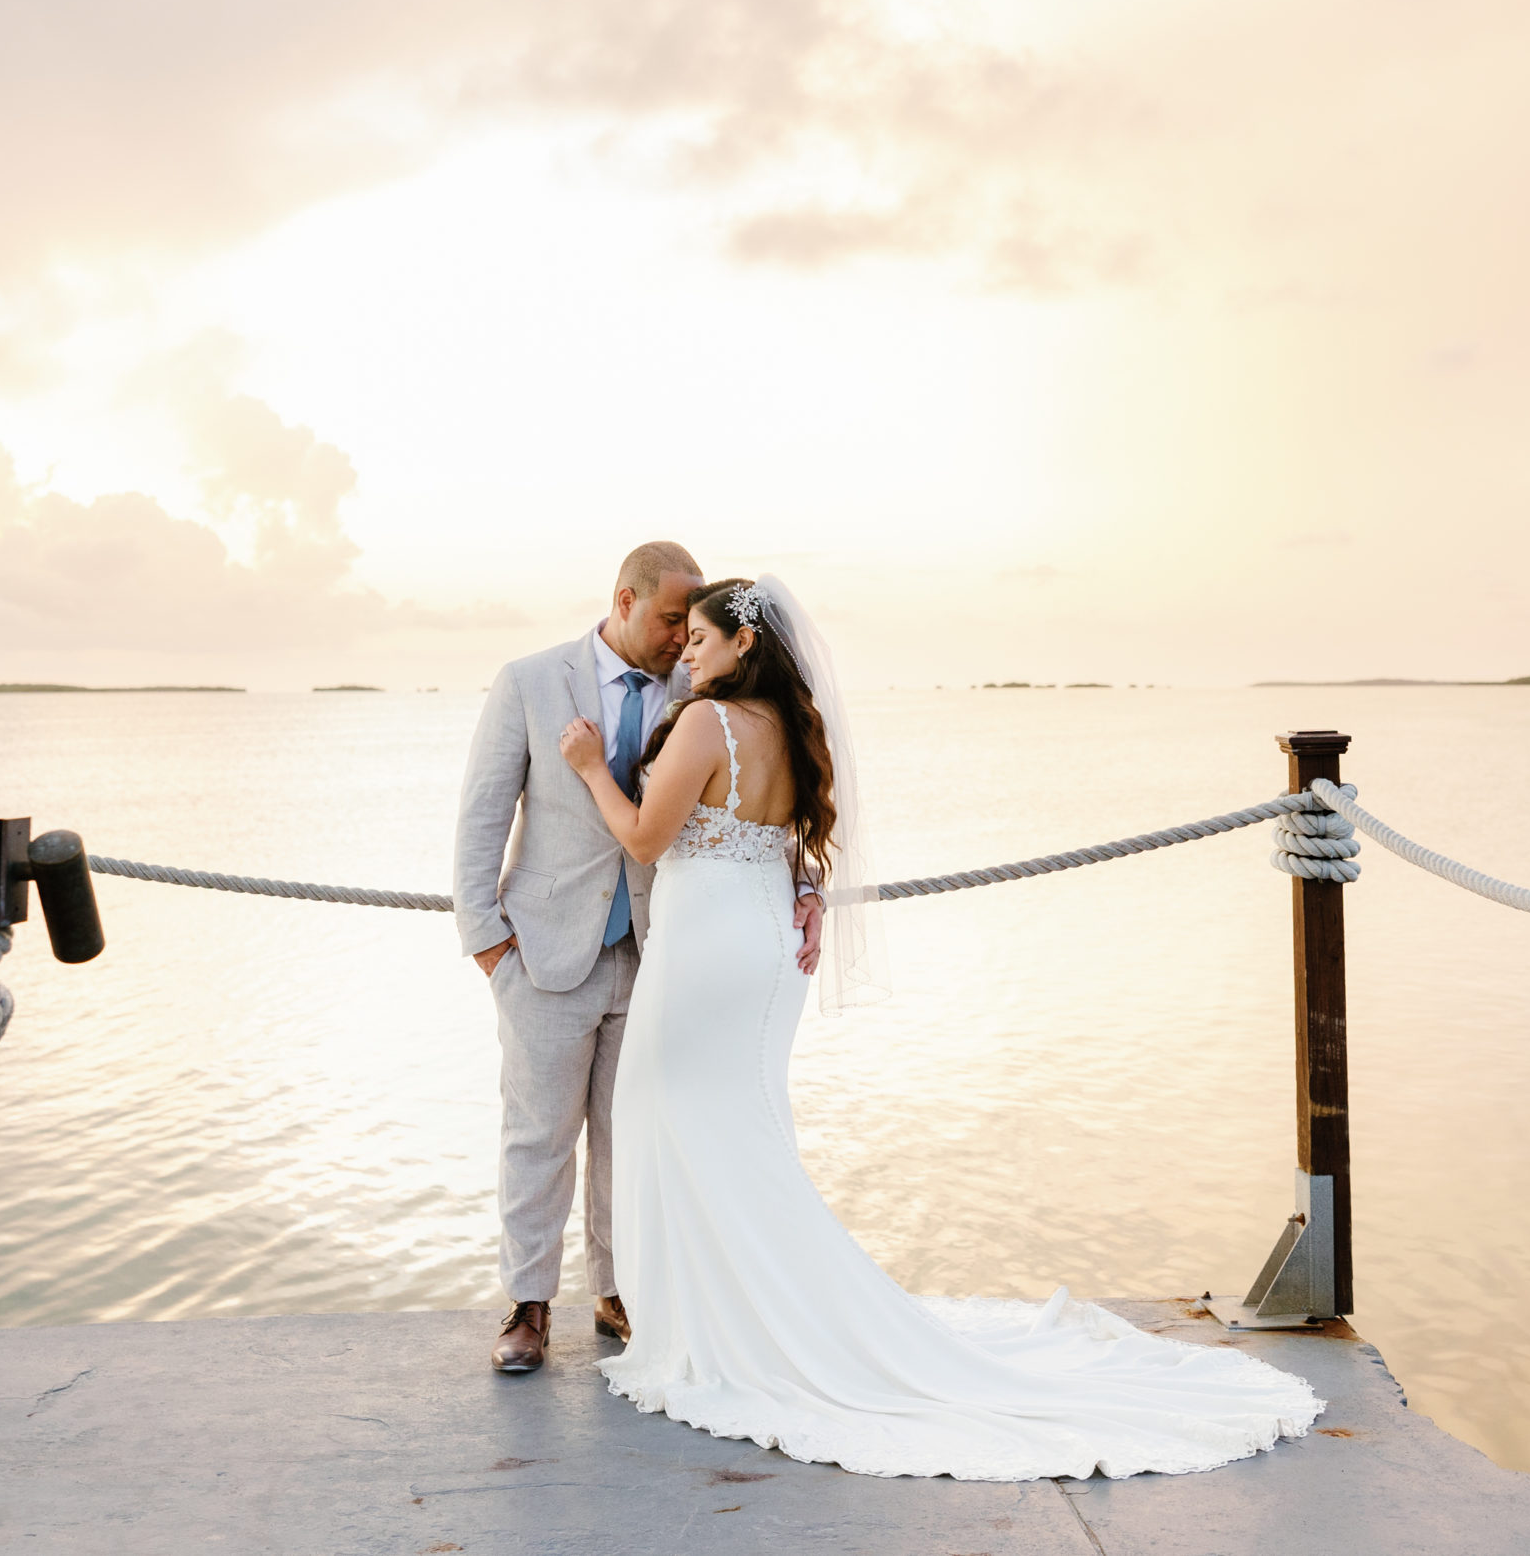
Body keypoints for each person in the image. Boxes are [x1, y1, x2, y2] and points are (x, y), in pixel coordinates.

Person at [555, 574, 1323, 1480]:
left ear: (745, 645)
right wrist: (804, 892)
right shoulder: (791, 734)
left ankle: (719, 1329)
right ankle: (754, 1311)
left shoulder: (704, 724)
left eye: (703, 638)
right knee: (741, 1132)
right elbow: (787, 840)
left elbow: (646, 839)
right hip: (764, 947)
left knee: (667, 1119)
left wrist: (587, 768)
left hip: (706, 955)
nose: (688, 649)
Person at [453, 543, 822, 1374]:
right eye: (667, 622)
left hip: (664, 955)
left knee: (635, 1136)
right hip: (543, 953)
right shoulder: (530, 681)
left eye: (691, 628)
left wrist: (806, 888)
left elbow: (755, 804)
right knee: (537, 1134)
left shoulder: (706, 689)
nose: (678, 641)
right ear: (624, 600)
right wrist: (487, 944)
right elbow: (481, 817)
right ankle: (528, 1304)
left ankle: (619, 1292)